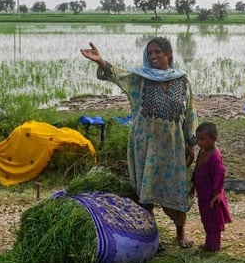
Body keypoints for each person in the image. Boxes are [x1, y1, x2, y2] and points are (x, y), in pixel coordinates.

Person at [80, 37, 198, 249]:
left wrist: (191, 142)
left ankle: (181, 233)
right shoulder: (140, 79)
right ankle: (149, 236)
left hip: (173, 145)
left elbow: (190, 112)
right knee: (146, 191)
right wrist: (101, 61)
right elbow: (119, 76)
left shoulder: (182, 80)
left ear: (168, 54)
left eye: (157, 52)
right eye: (150, 53)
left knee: (176, 188)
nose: (153, 56)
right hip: (145, 145)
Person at [190, 122, 232, 252]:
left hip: (213, 196)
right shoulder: (202, 151)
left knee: (214, 221)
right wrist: (192, 186)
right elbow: (197, 169)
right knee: (206, 219)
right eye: (198, 139)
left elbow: (220, 174)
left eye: (203, 139)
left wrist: (217, 193)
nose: (199, 142)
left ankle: (213, 246)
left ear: (214, 139)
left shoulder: (215, 157)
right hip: (203, 195)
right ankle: (208, 243)